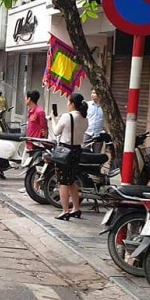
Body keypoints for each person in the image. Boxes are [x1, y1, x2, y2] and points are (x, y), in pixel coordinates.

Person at [52, 93, 88, 221]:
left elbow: (56, 132)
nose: (67, 104)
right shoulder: (84, 118)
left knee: (63, 182)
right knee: (71, 180)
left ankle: (65, 210)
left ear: (72, 103)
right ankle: (76, 208)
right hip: (77, 151)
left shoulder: (67, 117)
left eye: (68, 102)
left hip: (65, 151)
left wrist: (54, 119)